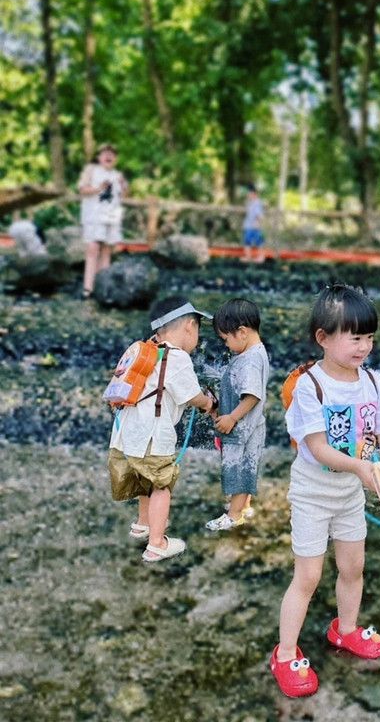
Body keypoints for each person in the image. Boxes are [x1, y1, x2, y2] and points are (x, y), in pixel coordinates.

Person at [270, 283, 380, 699]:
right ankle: (285, 652)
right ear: (323, 338)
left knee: (353, 567)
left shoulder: (374, 383)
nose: (364, 346)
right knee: (308, 576)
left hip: (351, 492)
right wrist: (362, 467)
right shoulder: (311, 386)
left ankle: (344, 630)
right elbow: (319, 448)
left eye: (369, 337)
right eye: (354, 336)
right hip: (314, 492)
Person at [108, 296, 217, 562]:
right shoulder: (176, 358)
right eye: (198, 330)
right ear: (190, 326)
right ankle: (157, 544)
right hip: (152, 435)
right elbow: (192, 396)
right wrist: (210, 403)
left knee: (144, 478)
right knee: (161, 484)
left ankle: (143, 523)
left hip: (125, 433)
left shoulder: (146, 351)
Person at [205, 298, 270, 531]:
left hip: (243, 428)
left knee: (238, 469)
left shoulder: (250, 360)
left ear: (242, 332)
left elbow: (252, 395)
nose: (226, 345)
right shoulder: (255, 353)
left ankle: (233, 515)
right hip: (251, 425)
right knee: (247, 467)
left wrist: (232, 417)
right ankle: (243, 506)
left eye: (226, 339)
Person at [78, 144, 128, 298]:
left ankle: (102, 286)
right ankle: (87, 288)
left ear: (116, 158)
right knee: (92, 248)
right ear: (99, 157)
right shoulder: (91, 170)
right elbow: (82, 190)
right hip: (93, 215)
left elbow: (124, 195)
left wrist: (123, 185)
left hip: (111, 216)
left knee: (107, 251)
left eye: (112, 154)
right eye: (105, 153)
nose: (108, 156)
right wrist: (99, 188)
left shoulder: (117, 174)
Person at [242, 184, 265, 263]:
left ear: (254, 194)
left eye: (250, 194)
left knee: (258, 242)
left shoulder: (257, 203)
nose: (248, 195)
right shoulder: (250, 203)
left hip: (255, 226)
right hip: (249, 225)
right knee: (247, 241)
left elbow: (260, 215)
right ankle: (248, 257)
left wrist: (258, 223)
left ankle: (261, 257)